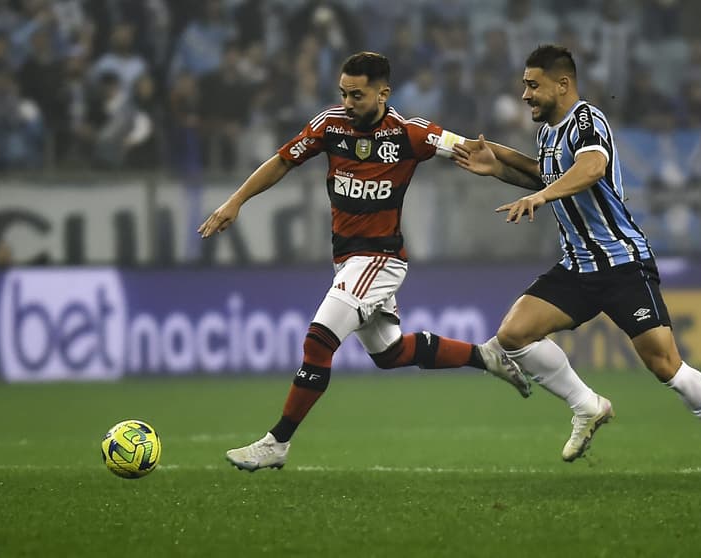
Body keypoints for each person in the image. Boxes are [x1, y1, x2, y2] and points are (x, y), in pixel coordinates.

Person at [198, 51, 540, 472]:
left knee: (318, 340)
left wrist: (545, 178)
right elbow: (284, 160)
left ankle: (277, 443)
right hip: (347, 260)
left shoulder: (411, 133)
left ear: (383, 93)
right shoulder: (329, 125)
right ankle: (485, 356)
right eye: (343, 93)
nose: (347, 102)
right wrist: (236, 200)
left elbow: (479, 151)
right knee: (390, 352)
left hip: (379, 258)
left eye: (357, 95)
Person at [452, 45, 701, 482]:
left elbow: (592, 168)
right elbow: (544, 173)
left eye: (532, 85)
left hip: (622, 263)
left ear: (563, 84)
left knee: (665, 364)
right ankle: (587, 405)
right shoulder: (548, 133)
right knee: (514, 334)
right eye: (524, 85)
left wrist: (540, 196)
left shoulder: (586, 120)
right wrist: (496, 162)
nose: (525, 95)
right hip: (578, 267)